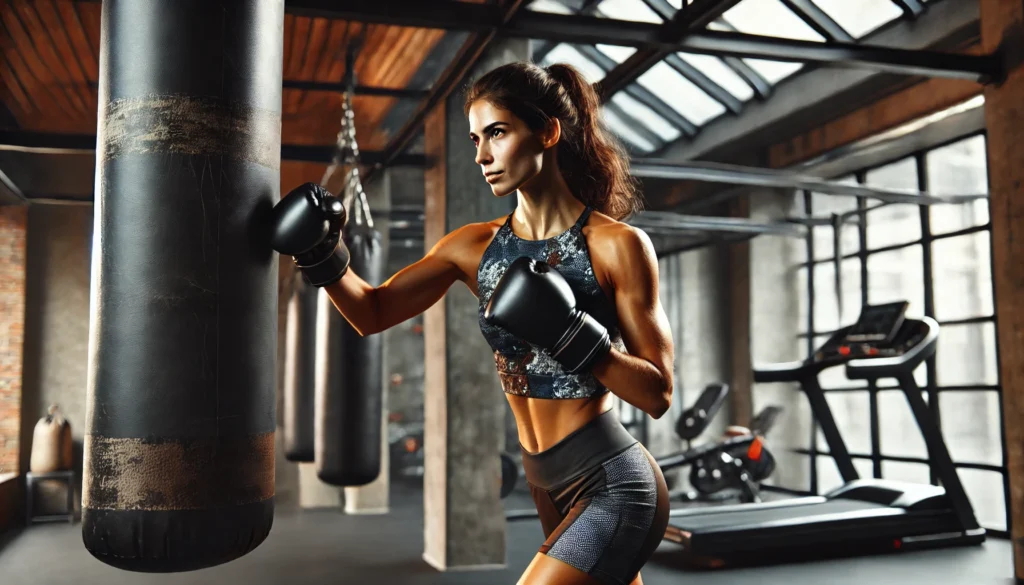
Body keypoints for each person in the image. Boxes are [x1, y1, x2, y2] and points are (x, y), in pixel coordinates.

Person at [269, 61, 675, 585]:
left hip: (612, 480)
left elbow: (658, 393)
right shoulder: (473, 247)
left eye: (498, 133)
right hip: (544, 481)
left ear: (547, 132)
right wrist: (323, 255)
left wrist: (568, 331)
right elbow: (372, 312)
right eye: (476, 137)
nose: (482, 155)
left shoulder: (616, 245)